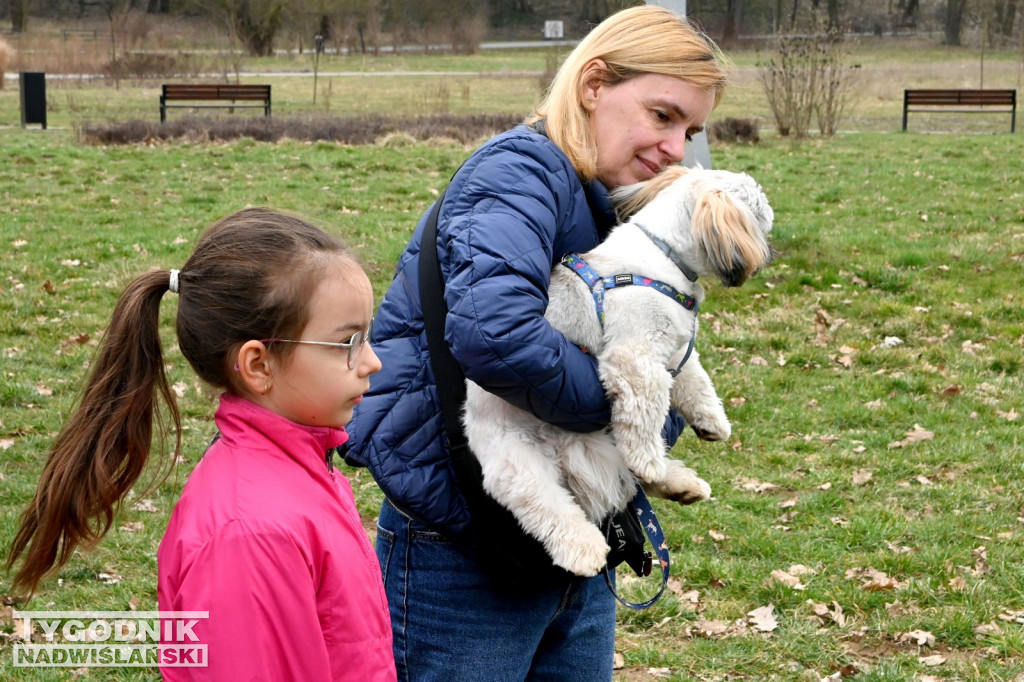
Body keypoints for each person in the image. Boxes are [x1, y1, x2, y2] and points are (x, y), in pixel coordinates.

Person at [345, 5, 730, 681]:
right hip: (464, 544)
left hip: (560, 530)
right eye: (663, 116)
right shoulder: (518, 176)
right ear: (593, 85)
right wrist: (625, 408)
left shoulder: (598, 195)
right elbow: (498, 334)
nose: (676, 147)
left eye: (690, 130)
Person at [6, 208, 396, 681]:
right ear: (257, 365)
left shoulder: (303, 471)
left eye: (368, 335)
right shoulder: (249, 533)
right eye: (349, 343)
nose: (372, 361)